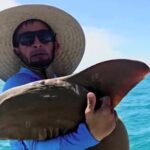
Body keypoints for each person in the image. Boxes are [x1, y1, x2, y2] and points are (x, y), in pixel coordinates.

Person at [1, 5, 117, 150]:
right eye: (27, 39)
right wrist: (92, 134)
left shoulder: (64, 84)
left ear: (56, 46)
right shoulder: (16, 84)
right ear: (17, 51)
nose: (37, 44)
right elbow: (35, 147)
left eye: (44, 37)